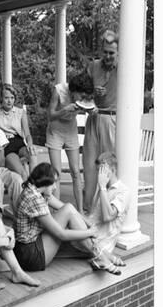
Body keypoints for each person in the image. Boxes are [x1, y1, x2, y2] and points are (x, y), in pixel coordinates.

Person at [14, 162, 124, 276]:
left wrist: (88, 223)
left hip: (33, 243)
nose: (55, 187)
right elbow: (62, 234)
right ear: (45, 182)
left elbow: (66, 208)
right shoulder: (34, 199)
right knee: (77, 232)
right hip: (30, 255)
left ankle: (101, 255)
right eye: (53, 184)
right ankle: (101, 255)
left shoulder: (35, 190)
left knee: (70, 210)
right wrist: (89, 232)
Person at [46, 71, 94, 212]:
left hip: (71, 131)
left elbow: (89, 107)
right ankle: (57, 212)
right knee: (57, 174)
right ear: (74, 90)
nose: (83, 98)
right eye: (82, 96)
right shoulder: (58, 90)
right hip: (55, 131)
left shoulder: (84, 96)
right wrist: (65, 110)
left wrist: (91, 111)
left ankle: (79, 211)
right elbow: (50, 115)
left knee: (76, 173)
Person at [83, 30, 118, 213]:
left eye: (111, 52)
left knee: (108, 166)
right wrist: (91, 94)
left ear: (118, 52)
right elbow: (80, 92)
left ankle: (109, 209)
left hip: (112, 119)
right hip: (93, 117)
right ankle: (88, 210)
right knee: (89, 166)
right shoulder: (93, 66)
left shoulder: (124, 67)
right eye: (105, 51)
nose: (108, 56)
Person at [84, 152, 130, 269]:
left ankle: (104, 256)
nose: (99, 175)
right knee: (69, 213)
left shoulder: (123, 192)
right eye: (98, 171)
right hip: (88, 234)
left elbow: (107, 217)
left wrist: (103, 188)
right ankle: (109, 257)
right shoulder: (101, 187)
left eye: (103, 171)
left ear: (113, 170)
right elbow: (92, 217)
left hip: (100, 242)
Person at [0, 84, 37, 180]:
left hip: (19, 142)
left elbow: (27, 134)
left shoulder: (20, 112)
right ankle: (29, 191)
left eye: (12, 97)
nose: (9, 101)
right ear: (1, 98)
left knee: (33, 153)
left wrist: (30, 144)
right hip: (6, 145)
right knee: (22, 173)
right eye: (6, 98)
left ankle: (35, 184)